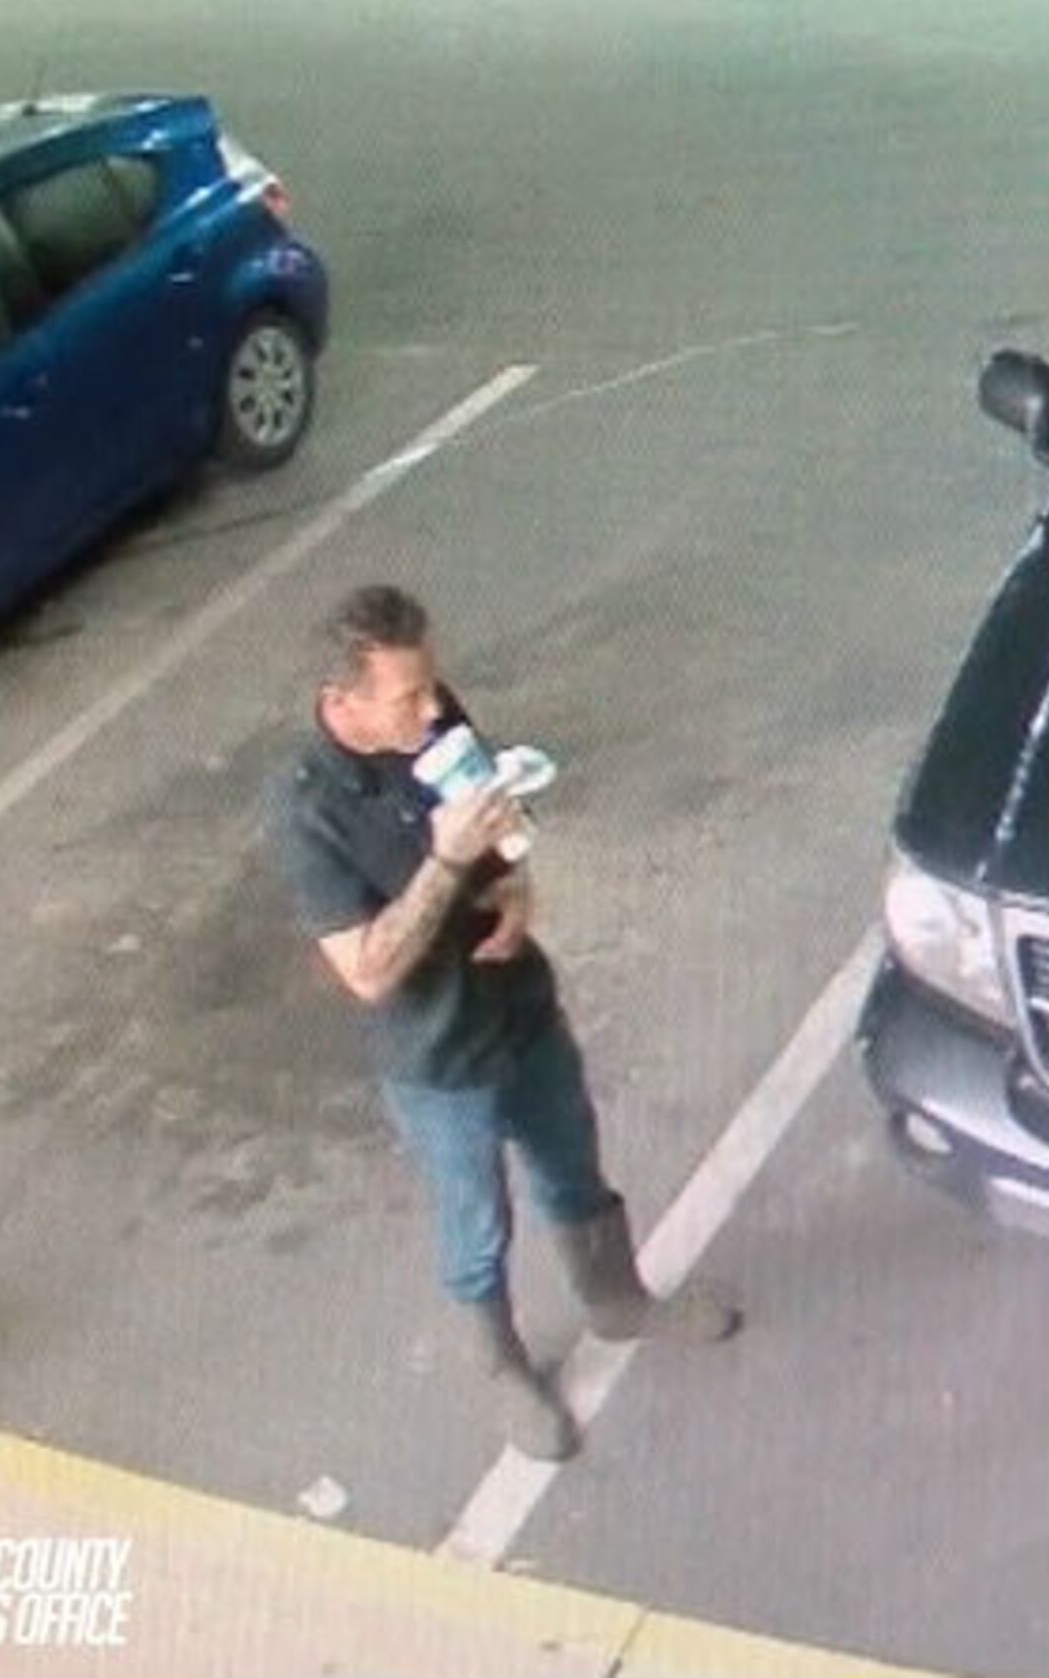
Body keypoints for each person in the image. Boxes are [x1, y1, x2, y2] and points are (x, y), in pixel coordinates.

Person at [267, 583, 734, 1464]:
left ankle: (617, 1298)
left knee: (573, 1162)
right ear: (344, 703)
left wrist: (517, 884)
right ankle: (503, 1369)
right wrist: (446, 857)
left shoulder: (434, 725)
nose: (436, 707)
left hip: (519, 1005)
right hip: (438, 1056)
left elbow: (506, 822)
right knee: (475, 1223)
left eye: (433, 684)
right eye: (409, 694)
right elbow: (368, 970)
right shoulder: (306, 810)